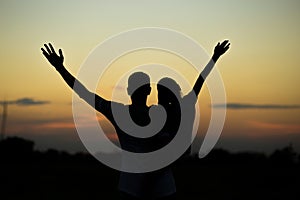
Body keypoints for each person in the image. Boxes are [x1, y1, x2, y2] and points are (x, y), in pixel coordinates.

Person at [41, 43, 176, 200]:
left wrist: (60, 68)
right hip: (149, 187)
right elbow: (84, 93)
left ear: (128, 90)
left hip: (147, 187)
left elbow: (84, 93)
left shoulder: (128, 112)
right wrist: (60, 69)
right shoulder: (156, 114)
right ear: (148, 90)